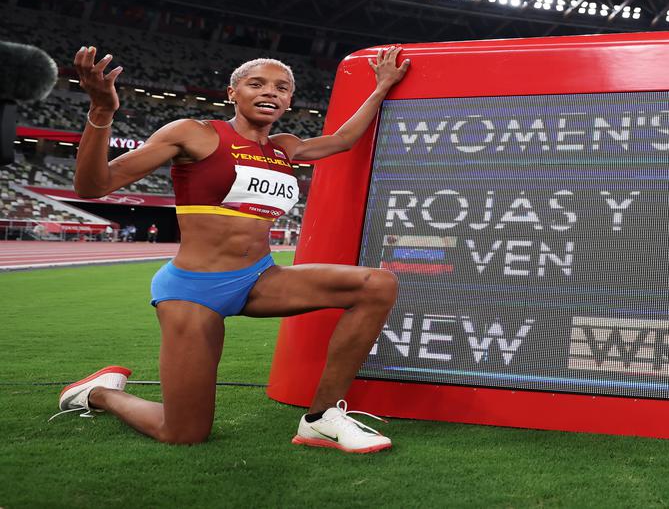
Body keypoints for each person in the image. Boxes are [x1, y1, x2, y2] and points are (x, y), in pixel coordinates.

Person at [54, 45, 410, 453]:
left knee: (376, 284)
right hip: (193, 292)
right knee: (184, 432)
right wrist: (101, 113)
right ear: (232, 93)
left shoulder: (285, 148)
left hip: (259, 279)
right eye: (256, 83)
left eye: (281, 87)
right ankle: (100, 393)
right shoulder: (195, 133)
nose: (270, 92)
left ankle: (322, 419)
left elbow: (344, 139)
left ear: (290, 100)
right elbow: (92, 186)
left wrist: (382, 85)